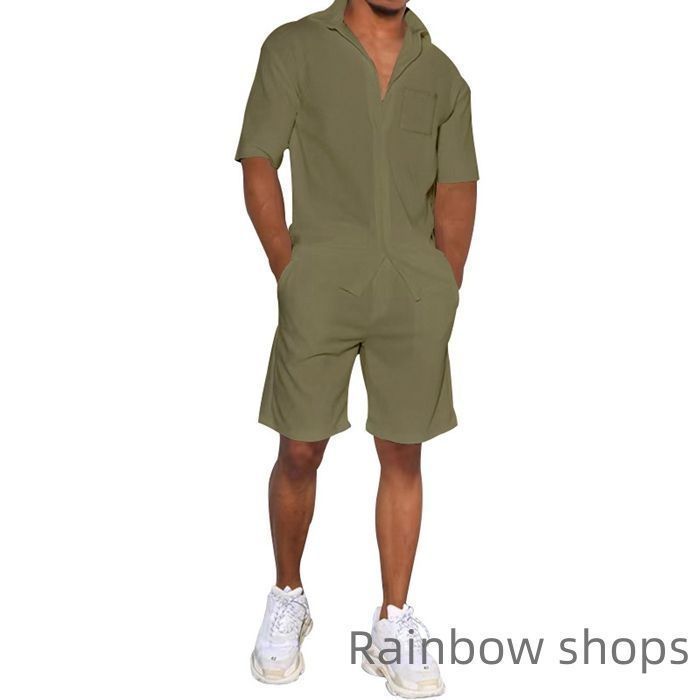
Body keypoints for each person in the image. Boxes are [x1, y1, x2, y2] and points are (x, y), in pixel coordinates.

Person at [236, 0, 478, 696]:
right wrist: (289, 268)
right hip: (321, 283)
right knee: (300, 447)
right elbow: (259, 159)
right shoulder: (292, 48)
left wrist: (444, 284)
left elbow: (457, 188)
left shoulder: (443, 75)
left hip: (413, 292)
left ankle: (392, 622)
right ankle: (288, 595)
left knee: (404, 453)